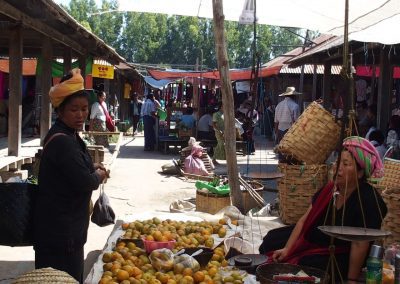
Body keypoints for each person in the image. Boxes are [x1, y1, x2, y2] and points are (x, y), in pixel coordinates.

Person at [259, 136, 387, 282]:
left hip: (341, 251)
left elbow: (360, 244)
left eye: (346, 164)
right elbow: (304, 220)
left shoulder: (369, 200)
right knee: (271, 239)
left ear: (360, 173)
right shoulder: (330, 190)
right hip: (313, 237)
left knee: (308, 264)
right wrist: (288, 249)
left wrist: (352, 279)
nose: (338, 168)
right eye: (338, 162)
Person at [33, 68, 108, 283]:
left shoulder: (69, 135)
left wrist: (91, 165)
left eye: (84, 109)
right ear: (60, 111)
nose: (81, 114)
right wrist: (100, 174)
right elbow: (85, 182)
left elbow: (73, 168)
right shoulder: (63, 141)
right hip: (60, 233)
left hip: (64, 229)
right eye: (74, 109)